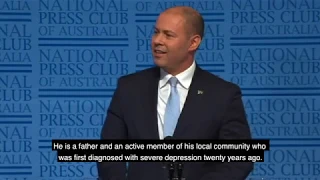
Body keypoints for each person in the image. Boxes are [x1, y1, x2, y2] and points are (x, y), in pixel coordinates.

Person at [97, 6, 253, 180]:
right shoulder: (129, 88)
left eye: (168, 35)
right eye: (156, 32)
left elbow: (239, 159)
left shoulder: (223, 95)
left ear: (193, 42)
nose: (157, 40)